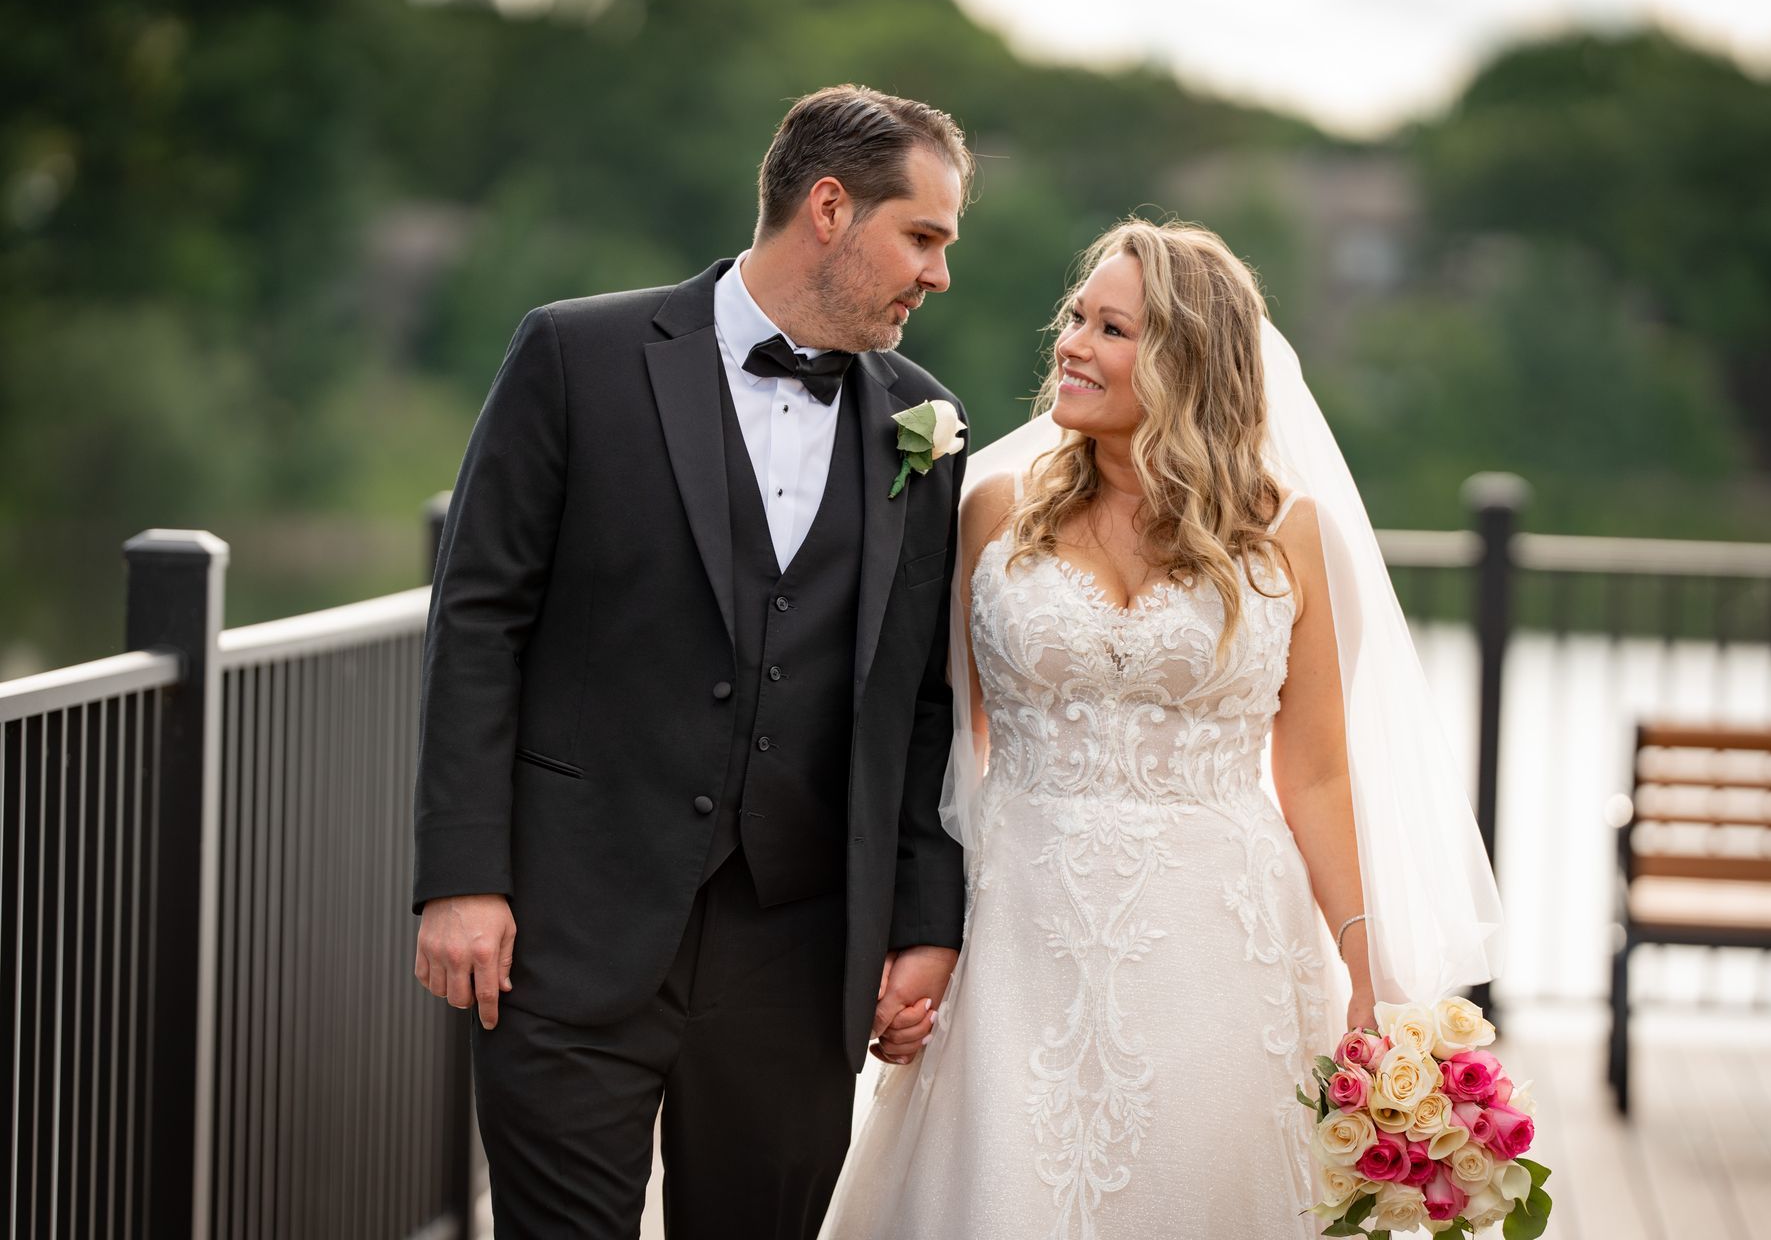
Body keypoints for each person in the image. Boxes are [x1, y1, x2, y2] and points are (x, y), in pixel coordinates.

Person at [821, 220, 1502, 1238]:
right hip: (1019, 924)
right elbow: (939, 747)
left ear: (1188, 361)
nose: (1071, 343)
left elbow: (1313, 773)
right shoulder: (995, 510)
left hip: (1220, 940)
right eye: (1076, 318)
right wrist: (906, 932)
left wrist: (1371, 973)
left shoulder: (1285, 533)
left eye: (1112, 328)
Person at [410, 84, 975, 1239]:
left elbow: (920, 698)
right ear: (829, 206)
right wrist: (460, 875)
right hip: (569, 926)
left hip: (799, 949)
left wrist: (922, 919)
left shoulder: (923, 420)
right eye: (922, 236)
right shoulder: (576, 353)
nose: (938, 274)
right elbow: (479, 617)